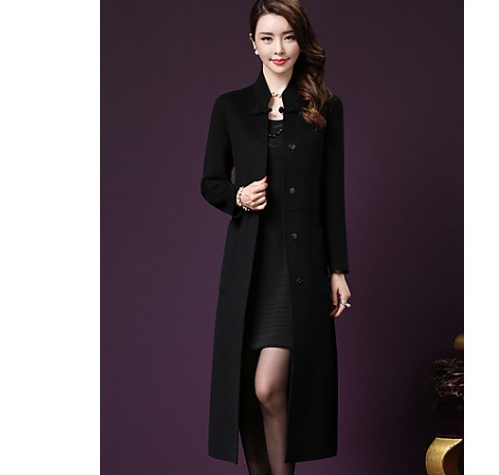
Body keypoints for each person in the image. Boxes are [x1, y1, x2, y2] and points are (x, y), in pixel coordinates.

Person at [200, 1, 351, 473]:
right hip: (249, 267)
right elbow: (211, 182)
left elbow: (332, 193)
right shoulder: (229, 107)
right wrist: (239, 196)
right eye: (267, 38)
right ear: (253, 43)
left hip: (299, 268)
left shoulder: (325, 107)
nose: (278, 48)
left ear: (300, 40)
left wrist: (338, 268)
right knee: (248, 394)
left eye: (287, 36)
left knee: (269, 387)